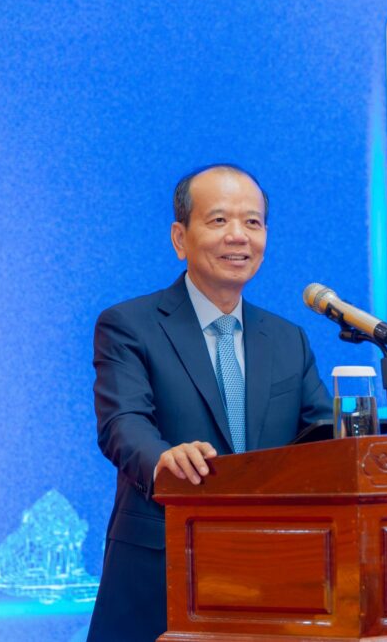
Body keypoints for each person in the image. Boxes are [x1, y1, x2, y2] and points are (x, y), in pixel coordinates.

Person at [88, 165, 333, 641]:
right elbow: (122, 422)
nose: (238, 236)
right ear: (180, 238)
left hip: (271, 579)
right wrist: (163, 460)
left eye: (253, 222)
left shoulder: (288, 339)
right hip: (161, 573)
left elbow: (323, 437)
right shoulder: (130, 325)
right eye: (219, 220)